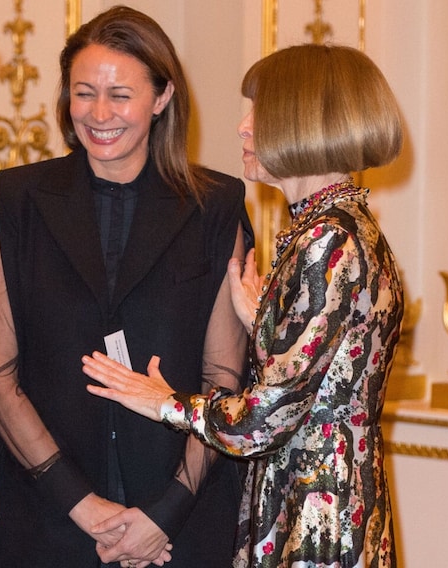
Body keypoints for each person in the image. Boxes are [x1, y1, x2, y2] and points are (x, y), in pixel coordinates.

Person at [82, 43, 404, 568]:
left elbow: (265, 419)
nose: (244, 127)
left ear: (302, 123)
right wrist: (265, 322)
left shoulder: (330, 239)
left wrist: (162, 401)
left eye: (259, 111)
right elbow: (329, 373)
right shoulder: (334, 227)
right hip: (319, 505)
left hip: (315, 517)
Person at [0, 6, 253, 568]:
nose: (99, 114)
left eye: (120, 94)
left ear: (162, 97)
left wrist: (163, 514)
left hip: (180, 530)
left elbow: (225, 380)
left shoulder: (215, 207)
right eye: (83, 93)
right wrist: (83, 507)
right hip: (44, 520)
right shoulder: (20, 199)